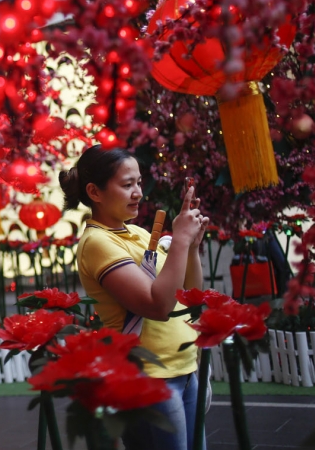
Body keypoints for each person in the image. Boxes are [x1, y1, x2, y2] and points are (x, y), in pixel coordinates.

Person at [59, 145, 209, 450]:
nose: (138, 193)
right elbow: (158, 306)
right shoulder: (96, 243)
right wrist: (178, 239)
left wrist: (191, 247)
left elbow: (191, 296)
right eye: (127, 185)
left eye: (139, 183)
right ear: (95, 192)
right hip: (149, 376)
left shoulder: (140, 234)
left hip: (184, 365)